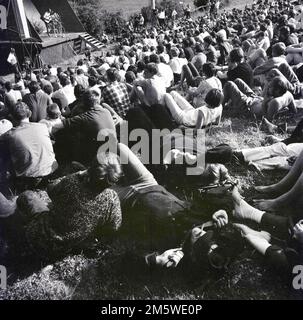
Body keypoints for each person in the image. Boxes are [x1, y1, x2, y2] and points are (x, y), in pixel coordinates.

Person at [0, 164, 122, 260]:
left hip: (36, 236)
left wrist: (79, 173)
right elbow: (115, 226)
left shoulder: (72, 182)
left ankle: (15, 223)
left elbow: (50, 189)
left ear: (89, 170)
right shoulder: (112, 199)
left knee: (27, 195)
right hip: (63, 251)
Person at [0, 102, 58, 191]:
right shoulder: (43, 126)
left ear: (12, 117)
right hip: (52, 169)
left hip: (29, 178)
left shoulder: (10, 135)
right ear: (29, 113)